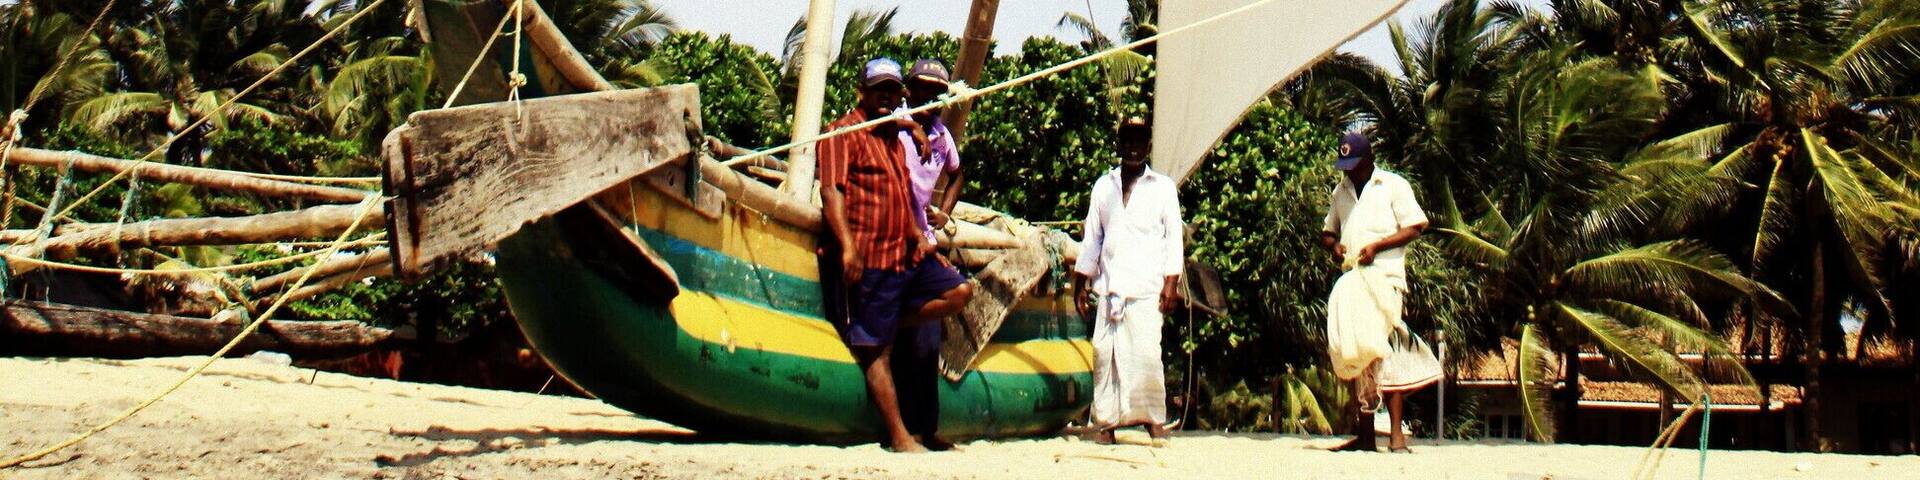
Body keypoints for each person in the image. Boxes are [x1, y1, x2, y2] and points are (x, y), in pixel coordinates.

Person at [816, 57, 971, 453]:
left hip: (903, 251)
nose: (886, 96)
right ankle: (901, 437)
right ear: (861, 93)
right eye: (878, 89)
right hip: (868, 255)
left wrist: (920, 236)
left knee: (959, 293)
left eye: (891, 90)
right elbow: (831, 192)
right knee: (876, 352)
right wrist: (847, 247)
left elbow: (905, 195)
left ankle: (888, 325)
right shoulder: (840, 134)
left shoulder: (893, 136)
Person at [1320, 131, 1439, 453]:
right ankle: (1367, 435)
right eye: (1345, 166)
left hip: (1385, 276)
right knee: (1359, 349)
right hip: (1354, 277)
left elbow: (1416, 226)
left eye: (1354, 165)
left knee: (1388, 348)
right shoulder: (1340, 191)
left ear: (1369, 160)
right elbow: (1328, 232)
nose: (1349, 172)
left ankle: (1397, 436)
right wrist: (1336, 247)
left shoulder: (1393, 185)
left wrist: (1378, 246)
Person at [1072, 116, 1183, 446]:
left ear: (1148, 146)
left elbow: (1174, 238)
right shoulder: (1103, 186)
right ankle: (1106, 424)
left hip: (1147, 288)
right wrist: (1081, 285)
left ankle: (1152, 421)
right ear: (1119, 144)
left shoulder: (1163, 187)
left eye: (1140, 141)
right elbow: (1092, 239)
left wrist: (1171, 285)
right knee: (1105, 356)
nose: (1133, 148)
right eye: (1128, 141)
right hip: (1109, 288)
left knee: (1147, 356)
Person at [885, 58, 971, 452]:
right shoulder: (896, 123)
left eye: (938, 93)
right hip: (894, 236)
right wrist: (912, 125)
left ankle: (926, 427)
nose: (930, 99)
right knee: (903, 346)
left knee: (927, 340)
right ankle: (903, 428)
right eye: (923, 90)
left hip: (924, 237)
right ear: (909, 91)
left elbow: (956, 172)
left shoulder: (942, 135)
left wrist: (944, 212)